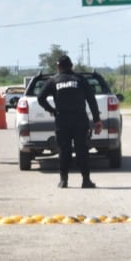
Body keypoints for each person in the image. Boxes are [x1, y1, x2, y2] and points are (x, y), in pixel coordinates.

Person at [36, 55, 102, 189]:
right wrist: (96, 119)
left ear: (58, 66)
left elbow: (40, 97)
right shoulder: (80, 79)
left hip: (62, 120)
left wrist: (52, 110)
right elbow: (91, 100)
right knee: (82, 150)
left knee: (64, 150)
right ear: (71, 66)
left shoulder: (53, 81)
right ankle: (86, 180)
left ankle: (63, 180)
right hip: (79, 120)